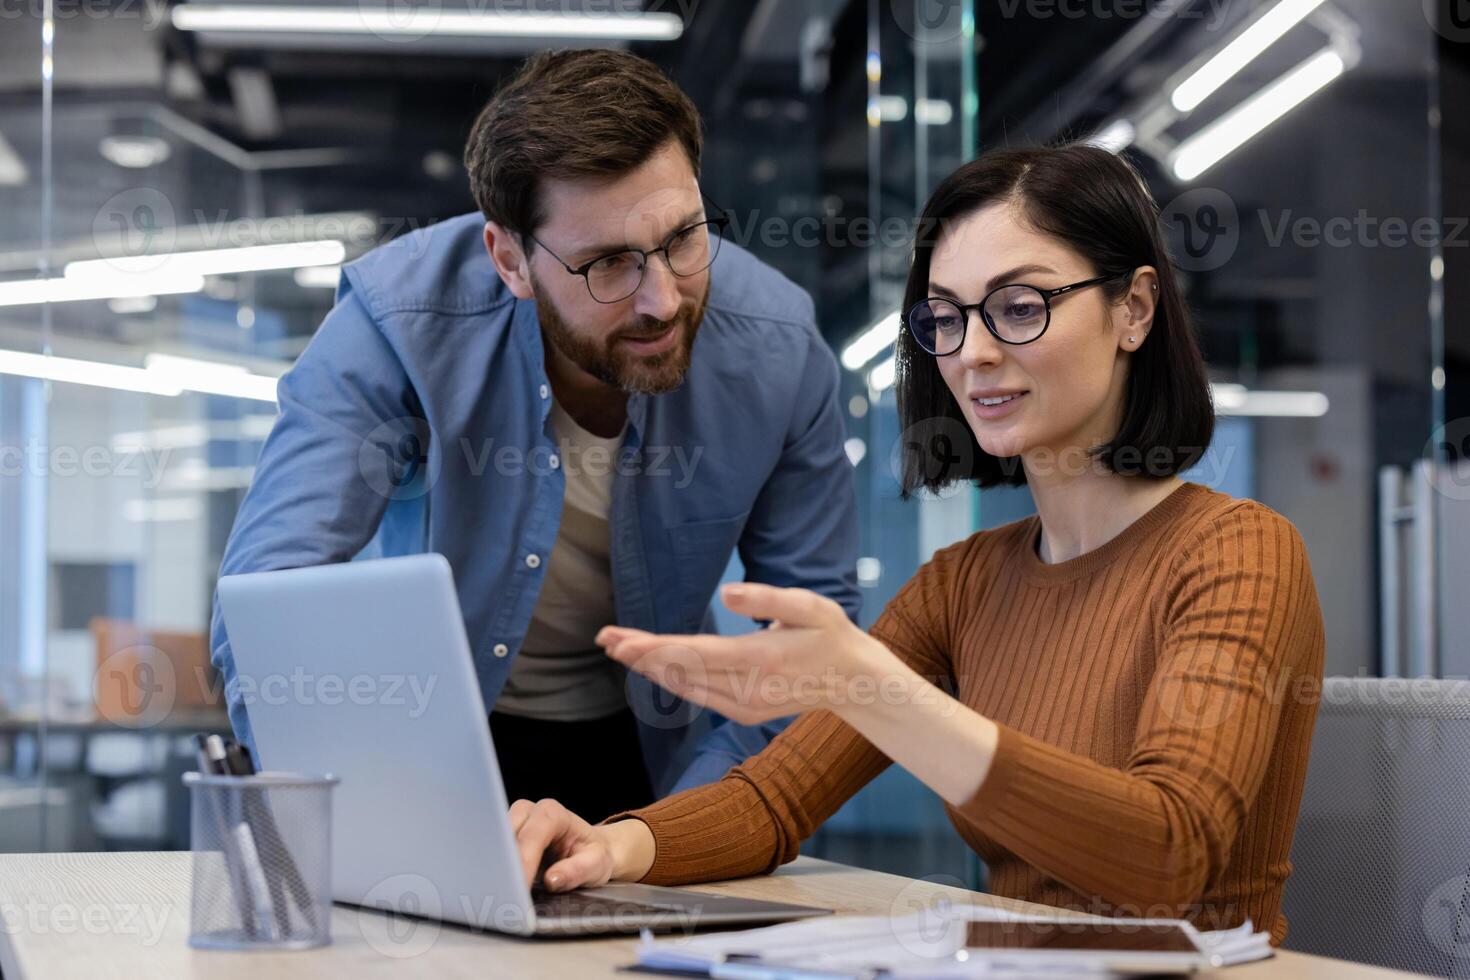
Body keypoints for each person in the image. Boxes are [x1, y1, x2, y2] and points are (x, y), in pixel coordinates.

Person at [508, 143, 1326, 944]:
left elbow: (1168, 853)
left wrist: (875, 689)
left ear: (1134, 310)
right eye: (946, 317)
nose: (973, 353)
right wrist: (612, 844)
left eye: (1019, 306)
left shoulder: (1239, 554)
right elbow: (773, 800)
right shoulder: (964, 583)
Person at [209, 49, 860, 824]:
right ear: (510, 260)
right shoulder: (399, 325)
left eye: (684, 238)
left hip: (662, 755)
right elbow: (269, 609)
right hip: (430, 742)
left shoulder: (777, 350)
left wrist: (681, 833)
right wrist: (370, 814)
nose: (662, 299)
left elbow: (814, 640)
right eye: (608, 265)